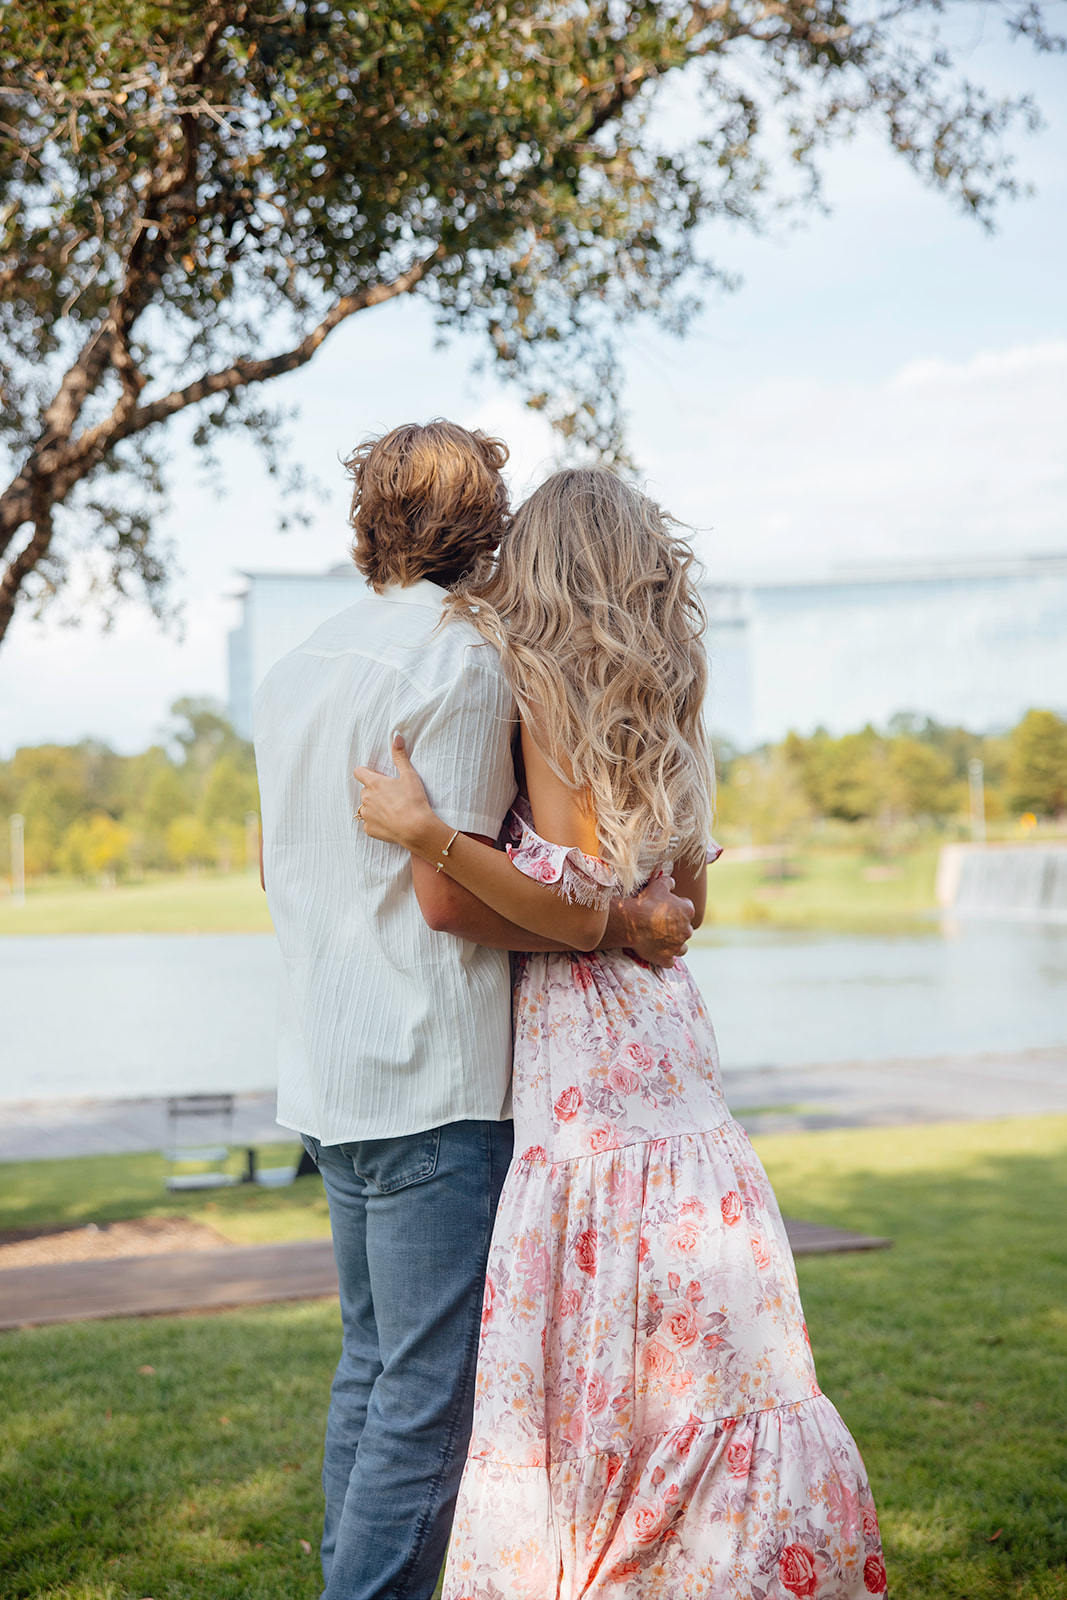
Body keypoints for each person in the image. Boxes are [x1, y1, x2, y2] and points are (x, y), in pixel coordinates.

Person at [353, 466, 889, 1600]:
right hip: (678, 1063)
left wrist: (432, 835)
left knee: (605, 1343)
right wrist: (645, 917)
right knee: (702, 1351)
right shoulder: (673, 700)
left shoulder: (541, 698)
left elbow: (570, 904)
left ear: (543, 567)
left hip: (589, 1065)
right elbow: (686, 905)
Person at [253, 423, 700, 1600]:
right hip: (429, 1074)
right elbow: (450, 897)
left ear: (368, 522)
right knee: (427, 1397)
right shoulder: (466, 660)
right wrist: (622, 927)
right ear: (489, 522)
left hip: (325, 1071)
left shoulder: (295, 662)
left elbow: (272, 868)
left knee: (370, 1370)